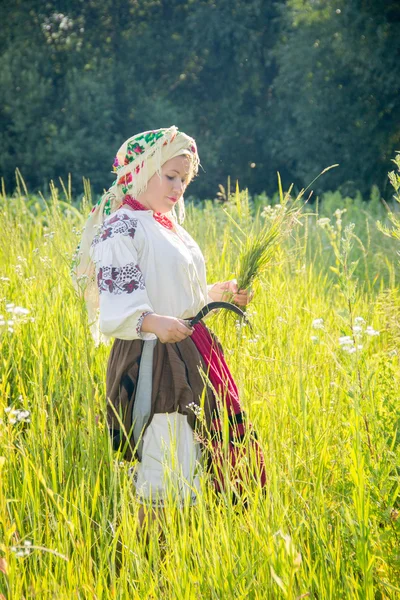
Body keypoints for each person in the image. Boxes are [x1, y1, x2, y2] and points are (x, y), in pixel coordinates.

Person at [72, 126, 266, 521]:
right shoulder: (122, 226)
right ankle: (148, 563)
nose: (178, 188)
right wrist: (151, 321)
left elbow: (181, 297)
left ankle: (180, 559)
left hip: (190, 352)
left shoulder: (168, 225)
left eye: (185, 180)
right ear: (141, 170)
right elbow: (118, 303)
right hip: (153, 357)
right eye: (171, 176)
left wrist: (220, 291)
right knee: (163, 462)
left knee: (191, 458)